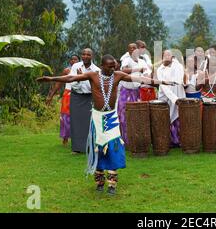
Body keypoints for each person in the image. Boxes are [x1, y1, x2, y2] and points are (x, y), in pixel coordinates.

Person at [37, 55, 173, 195]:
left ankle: (112, 185)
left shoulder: (117, 75)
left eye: (114, 66)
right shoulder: (93, 76)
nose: (113, 68)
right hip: (97, 118)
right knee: (98, 150)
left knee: (113, 150)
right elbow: (71, 78)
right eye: (110, 66)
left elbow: (140, 79)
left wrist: (162, 82)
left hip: (111, 118)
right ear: (102, 66)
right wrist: (51, 79)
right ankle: (100, 182)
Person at [69, 49, 101, 154]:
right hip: (76, 97)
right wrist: (78, 79)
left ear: (92, 56)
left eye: (88, 54)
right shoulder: (75, 66)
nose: (85, 56)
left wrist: (83, 78)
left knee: (89, 123)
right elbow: (71, 83)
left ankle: (89, 147)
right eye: (83, 54)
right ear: (81, 56)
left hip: (89, 97)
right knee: (76, 122)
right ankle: (77, 148)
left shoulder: (96, 70)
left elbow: (95, 87)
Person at [117, 43, 148, 145]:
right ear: (128, 51)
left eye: (134, 48)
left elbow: (146, 74)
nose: (132, 50)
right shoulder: (126, 59)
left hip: (137, 91)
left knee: (136, 116)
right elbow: (123, 70)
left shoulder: (142, 61)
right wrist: (138, 69)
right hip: (126, 92)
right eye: (130, 48)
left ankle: (135, 139)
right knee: (124, 116)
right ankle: (125, 140)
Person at [46, 55, 80, 146]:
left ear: (79, 61)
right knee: (65, 117)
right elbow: (59, 83)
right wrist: (51, 95)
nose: (73, 61)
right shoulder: (67, 71)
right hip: (67, 94)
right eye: (72, 59)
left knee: (77, 117)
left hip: (78, 94)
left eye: (75, 59)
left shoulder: (82, 70)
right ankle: (65, 139)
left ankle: (78, 138)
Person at [156, 50, 186, 147]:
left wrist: (177, 98)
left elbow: (179, 80)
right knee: (167, 117)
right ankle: (169, 141)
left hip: (178, 93)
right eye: (166, 54)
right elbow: (163, 86)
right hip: (166, 96)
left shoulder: (178, 66)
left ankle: (179, 140)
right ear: (162, 57)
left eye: (170, 55)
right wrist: (174, 99)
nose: (168, 56)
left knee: (179, 117)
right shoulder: (159, 70)